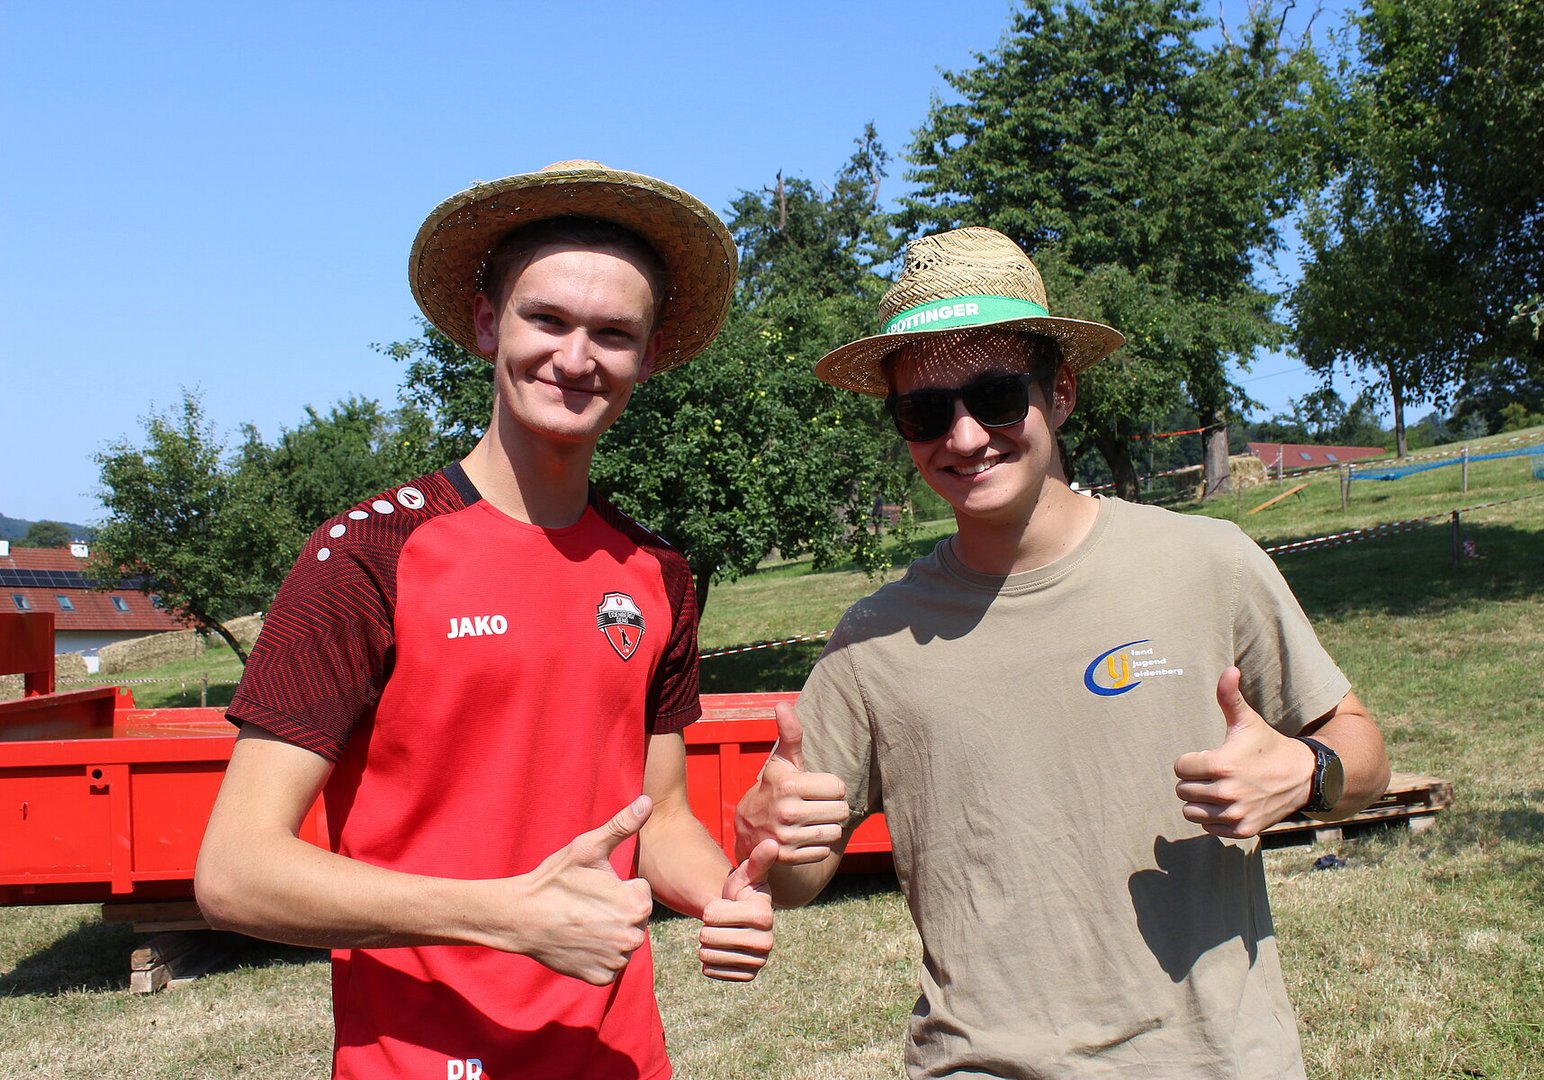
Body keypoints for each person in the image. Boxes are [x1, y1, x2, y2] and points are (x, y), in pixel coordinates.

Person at [735, 226, 1391, 1079]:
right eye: (924, 412)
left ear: (1063, 393)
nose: (963, 437)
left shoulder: (1208, 565)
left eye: (996, 397)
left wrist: (1308, 770)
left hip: (1216, 1059)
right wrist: (772, 838)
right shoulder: (871, 641)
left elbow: (1364, 752)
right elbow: (795, 877)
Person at [196, 160, 777, 1080]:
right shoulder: (367, 555)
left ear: (650, 353)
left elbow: (659, 814)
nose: (576, 359)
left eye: (613, 333)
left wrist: (723, 894)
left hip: (616, 1059)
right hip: (422, 1060)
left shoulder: (657, 573)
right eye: (546, 319)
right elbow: (235, 873)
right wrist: (507, 916)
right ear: (484, 323)